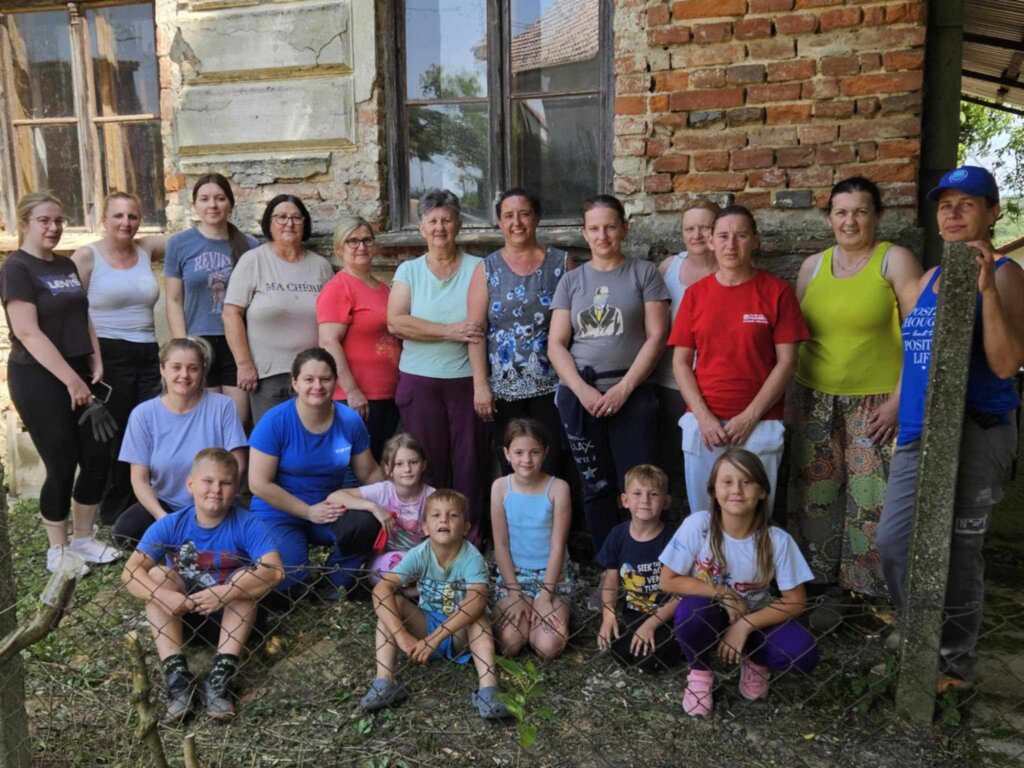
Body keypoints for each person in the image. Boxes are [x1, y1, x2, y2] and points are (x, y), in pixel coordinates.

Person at [877, 166, 1024, 685]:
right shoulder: (930, 278)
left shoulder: (1006, 274)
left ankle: (955, 663)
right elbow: (915, 354)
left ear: (992, 212)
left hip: (976, 430)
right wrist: (898, 402)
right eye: (945, 205)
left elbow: (1006, 365)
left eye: (968, 203)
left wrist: (987, 292)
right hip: (919, 430)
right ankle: (918, 633)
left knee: (960, 554)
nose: (954, 213)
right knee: (894, 542)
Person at [786, 177, 923, 629]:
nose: (850, 221)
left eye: (861, 211)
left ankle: (868, 597)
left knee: (872, 501)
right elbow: (793, 337)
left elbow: (919, 333)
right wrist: (790, 399)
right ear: (829, 218)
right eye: (841, 212)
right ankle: (819, 589)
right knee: (816, 497)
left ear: (877, 215)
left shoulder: (894, 260)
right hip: (815, 398)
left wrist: (900, 399)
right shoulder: (813, 267)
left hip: (876, 403)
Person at [0, 192, 120, 574]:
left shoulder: (66, 264)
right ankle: (58, 550)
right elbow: (27, 332)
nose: (53, 228)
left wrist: (94, 357)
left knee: (98, 454)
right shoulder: (16, 268)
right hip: (38, 378)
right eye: (44, 221)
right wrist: (71, 380)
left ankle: (83, 540)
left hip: (78, 373)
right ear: (25, 223)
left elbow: (82, 314)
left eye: (58, 221)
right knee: (62, 462)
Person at [548, 194, 670, 566]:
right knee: (595, 484)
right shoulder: (571, 280)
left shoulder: (643, 273)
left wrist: (624, 389)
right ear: (585, 233)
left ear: (624, 229)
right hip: (581, 395)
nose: (603, 236)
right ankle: (608, 569)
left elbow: (657, 337)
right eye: (595, 229)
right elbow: (556, 344)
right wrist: (582, 390)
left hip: (632, 394)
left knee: (640, 485)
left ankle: (644, 567)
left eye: (610, 227)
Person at [121, 448, 284, 721]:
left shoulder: (248, 524)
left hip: (234, 619)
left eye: (225, 483)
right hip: (184, 615)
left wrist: (227, 592)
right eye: (208, 481)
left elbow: (275, 571)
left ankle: (220, 677)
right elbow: (130, 572)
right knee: (158, 575)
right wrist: (164, 596)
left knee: (245, 579)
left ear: (236, 488)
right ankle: (177, 677)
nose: (216, 490)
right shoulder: (172, 524)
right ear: (191, 484)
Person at [669, 205, 809, 514]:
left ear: (755, 240)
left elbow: (787, 362)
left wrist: (749, 417)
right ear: (711, 242)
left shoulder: (777, 292)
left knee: (754, 517)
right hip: (704, 425)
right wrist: (704, 417)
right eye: (723, 236)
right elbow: (680, 362)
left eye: (741, 235)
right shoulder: (696, 294)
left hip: (759, 423)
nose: (731, 245)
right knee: (704, 517)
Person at [660, 449, 819, 718]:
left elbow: (795, 601)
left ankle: (754, 658)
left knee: (803, 652)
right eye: (727, 482)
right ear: (713, 490)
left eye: (747, 482)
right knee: (690, 612)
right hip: (709, 613)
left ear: (763, 491)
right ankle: (699, 673)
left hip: (755, 617)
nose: (736, 490)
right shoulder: (698, 526)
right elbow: (667, 580)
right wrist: (722, 593)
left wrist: (745, 625)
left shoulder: (777, 540)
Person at [387, 189, 486, 540]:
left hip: (465, 380)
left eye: (446, 220)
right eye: (432, 221)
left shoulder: (477, 267)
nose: (440, 227)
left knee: (470, 464)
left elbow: (478, 327)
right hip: (420, 381)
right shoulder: (409, 270)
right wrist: (450, 331)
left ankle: (470, 539)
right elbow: (396, 322)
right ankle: (429, 538)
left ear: (458, 224)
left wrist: (481, 384)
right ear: (421, 228)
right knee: (427, 463)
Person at [359, 489, 510, 719]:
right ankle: (384, 682)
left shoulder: (472, 557)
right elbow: (382, 589)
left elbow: (477, 600)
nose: (444, 520)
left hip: (460, 632)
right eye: (436, 515)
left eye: (453, 515)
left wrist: (435, 639)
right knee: (393, 604)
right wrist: (402, 636)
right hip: (426, 624)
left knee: (477, 616)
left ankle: (488, 690)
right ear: (425, 528)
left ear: (466, 527)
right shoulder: (419, 553)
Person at [248, 349, 385, 595]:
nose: (317, 386)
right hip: (279, 514)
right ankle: (296, 576)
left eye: (325, 379)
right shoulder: (274, 422)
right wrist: (308, 512)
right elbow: (258, 484)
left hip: (329, 509)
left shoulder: (349, 420)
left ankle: (333, 581)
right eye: (309, 379)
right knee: (287, 584)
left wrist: (397, 502)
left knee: (366, 522)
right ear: (295, 383)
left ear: (335, 381)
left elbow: (369, 473)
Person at [71, 192, 162, 523]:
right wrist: (86, 365)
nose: (126, 223)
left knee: (148, 430)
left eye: (133, 216)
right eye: (119, 216)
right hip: (107, 354)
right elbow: (71, 312)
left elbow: (196, 237)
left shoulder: (146, 248)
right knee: (114, 436)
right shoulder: (86, 256)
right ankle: (112, 513)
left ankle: (142, 508)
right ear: (104, 220)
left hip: (148, 353)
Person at [467, 188, 570, 475]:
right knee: (512, 466)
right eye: (508, 216)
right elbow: (476, 331)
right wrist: (480, 385)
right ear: (499, 222)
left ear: (537, 218)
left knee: (552, 462)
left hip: (552, 386)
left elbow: (571, 326)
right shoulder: (486, 269)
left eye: (524, 214)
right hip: (503, 389)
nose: (517, 222)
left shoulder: (561, 263)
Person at [114, 338, 248, 549]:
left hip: (215, 500)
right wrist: (163, 519)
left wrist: (212, 507)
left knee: (246, 534)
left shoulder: (223, 407)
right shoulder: (143, 414)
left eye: (192, 368)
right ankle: (184, 543)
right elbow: (139, 479)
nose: (184, 375)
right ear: (162, 369)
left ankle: (196, 542)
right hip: (166, 503)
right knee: (126, 531)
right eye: (176, 367)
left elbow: (238, 463)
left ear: (203, 370)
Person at [223, 195, 334, 424]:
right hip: (267, 376)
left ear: (305, 223)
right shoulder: (253, 261)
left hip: (313, 377)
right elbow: (231, 314)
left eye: (296, 217)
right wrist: (244, 364)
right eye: (281, 217)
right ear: (269, 223)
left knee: (311, 436)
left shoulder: (321, 266)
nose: (289, 223)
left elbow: (333, 319)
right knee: (273, 438)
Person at [164, 174, 258, 423]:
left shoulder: (250, 245)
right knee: (205, 422)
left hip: (237, 342)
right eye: (204, 199)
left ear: (230, 204)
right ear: (195, 204)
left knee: (236, 421)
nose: (212, 205)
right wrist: (182, 344)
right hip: (198, 342)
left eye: (219, 198)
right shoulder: (179, 244)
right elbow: (173, 300)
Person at [653, 200, 720, 509]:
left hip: (711, 387)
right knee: (669, 464)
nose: (697, 235)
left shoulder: (729, 269)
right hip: (669, 383)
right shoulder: (669, 268)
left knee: (710, 468)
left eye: (705, 228)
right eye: (689, 229)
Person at [317, 216, 401, 461]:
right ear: (339, 248)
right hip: (356, 398)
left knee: (379, 466)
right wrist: (352, 391)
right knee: (357, 469)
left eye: (367, 240)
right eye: (352, 241)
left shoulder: (383, 289)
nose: (361, 247)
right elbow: (328, 342)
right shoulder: (338, 287)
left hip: (387, 394)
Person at [490, 419, 574, 659]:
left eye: (534, 452)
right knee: (509, 643)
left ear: (545, 452)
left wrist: (546, 596)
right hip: (514, 575)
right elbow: (501, 545)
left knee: (548, 647)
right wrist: (514, 593)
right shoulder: (500, 487)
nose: (526, 459)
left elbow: (557, 547)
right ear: (507, 453)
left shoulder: (558, 488)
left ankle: (552, 607)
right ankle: (524, 607)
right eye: (518, 452)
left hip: (552, 576)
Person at [596, 464, 681, 673]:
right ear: (625, 500)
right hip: (632, 612)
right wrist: (608, 614)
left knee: (650, 661)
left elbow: (680, 594)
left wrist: (651, 624)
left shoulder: (673, 539)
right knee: (621, 652)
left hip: (665, 615)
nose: (645, 500)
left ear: (666, 502)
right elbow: (611, 579)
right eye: (637, 493)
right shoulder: (618, 535)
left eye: (653, 494)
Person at [327, 432, 435, 585]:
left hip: (420, 556)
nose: (407, 469)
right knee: (400, 566)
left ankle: (410, 591)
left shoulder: (432, 496)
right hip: (387, 558)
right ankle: (407, 589)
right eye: (399, 464)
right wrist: (373, 507)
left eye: (413, 462)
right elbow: (335, 497)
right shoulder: (383, 490)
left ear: (423, 464)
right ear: (388, 469)